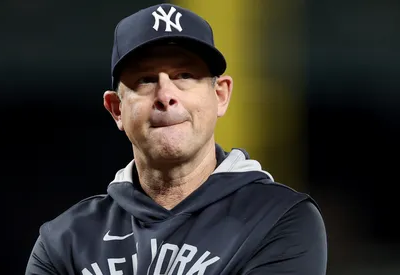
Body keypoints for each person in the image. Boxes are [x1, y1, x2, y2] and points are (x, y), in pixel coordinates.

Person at [25, 3, 327, 275]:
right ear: (116, 109)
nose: (166, 95)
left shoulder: (279, 218)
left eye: (184, 75)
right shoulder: (65, 239)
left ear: (220, 96)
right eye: (146, 79)